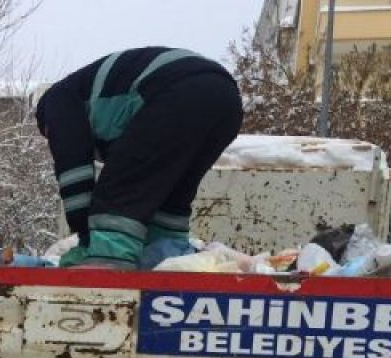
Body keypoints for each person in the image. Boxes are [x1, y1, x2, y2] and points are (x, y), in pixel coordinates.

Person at [34, 47, 243, 270]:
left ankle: (107, 264)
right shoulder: (95, 96)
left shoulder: (58, 100)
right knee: (171, 194)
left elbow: (74, 171)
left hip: (177, 90)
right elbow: (148, 173)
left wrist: (86, 236)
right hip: (226, 101)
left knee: (120, 190)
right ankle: (165, 256)